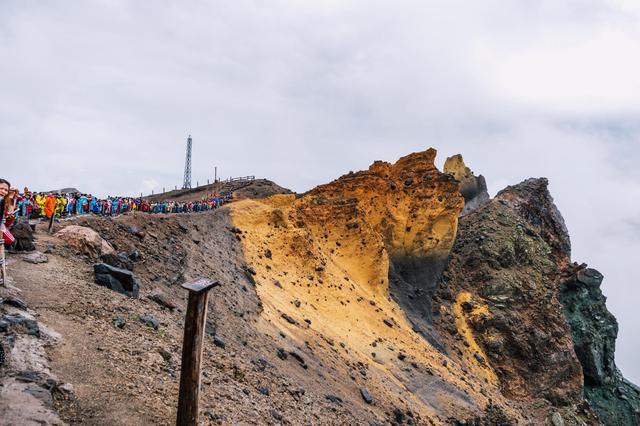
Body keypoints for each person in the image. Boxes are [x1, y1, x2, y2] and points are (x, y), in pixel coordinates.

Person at [1, 178, 17, 286]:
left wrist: (11, 197)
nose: (2, 191)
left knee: (10, 239)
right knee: (10, 239)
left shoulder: (4, 202)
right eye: (0, 188)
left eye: (5, 190)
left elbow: (5, 221)